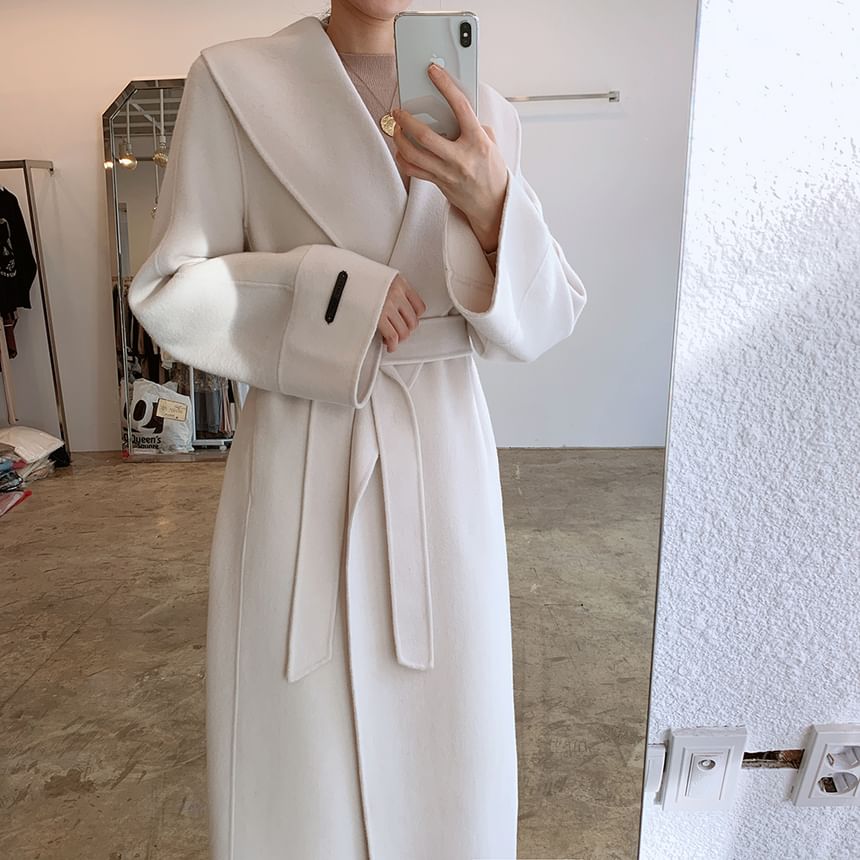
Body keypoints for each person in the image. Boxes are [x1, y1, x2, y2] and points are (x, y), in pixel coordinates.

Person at [127, 2, 586, 858]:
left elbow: (549, 318)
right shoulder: (234, 81)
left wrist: (495, 209)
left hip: (441, 466)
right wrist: (329, 300)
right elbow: (169, 289)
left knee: (450, 747)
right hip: (304, 461)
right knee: (303, 767)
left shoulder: (487, 110)